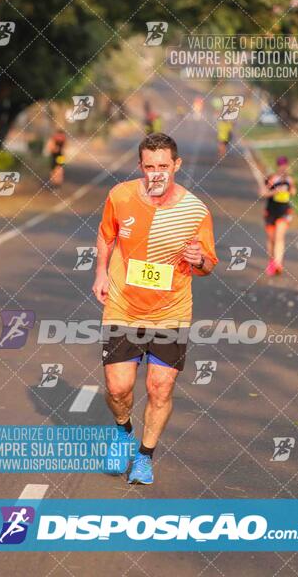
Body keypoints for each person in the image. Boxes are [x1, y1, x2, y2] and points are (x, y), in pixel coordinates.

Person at [92, 133, 218, 485]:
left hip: (171, 311)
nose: (157, 173)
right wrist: (101, 271)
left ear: (176, 165)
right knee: (118, 388)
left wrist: (200, 260)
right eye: (150, 167)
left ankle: (145, 457)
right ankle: (122, 431)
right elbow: (106, 234)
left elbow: (209, 264)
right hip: (123, 305)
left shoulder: (194, 210)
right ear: (140, 167)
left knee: (160, 388)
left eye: (164, 166)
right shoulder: (120, 196)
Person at [260, 156, 296, 276]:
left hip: (284, 211)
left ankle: (278, 263)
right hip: (271, 212)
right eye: (281, 165)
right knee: (271, 239)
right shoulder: (272, 178)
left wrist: (289, 189)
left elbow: (294, 192)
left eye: (285, 165)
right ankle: (272, 261)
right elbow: (262, 193)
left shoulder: (289, 180)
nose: (283, 167)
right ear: (278, 166)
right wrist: (276, 191)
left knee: (279, 237)